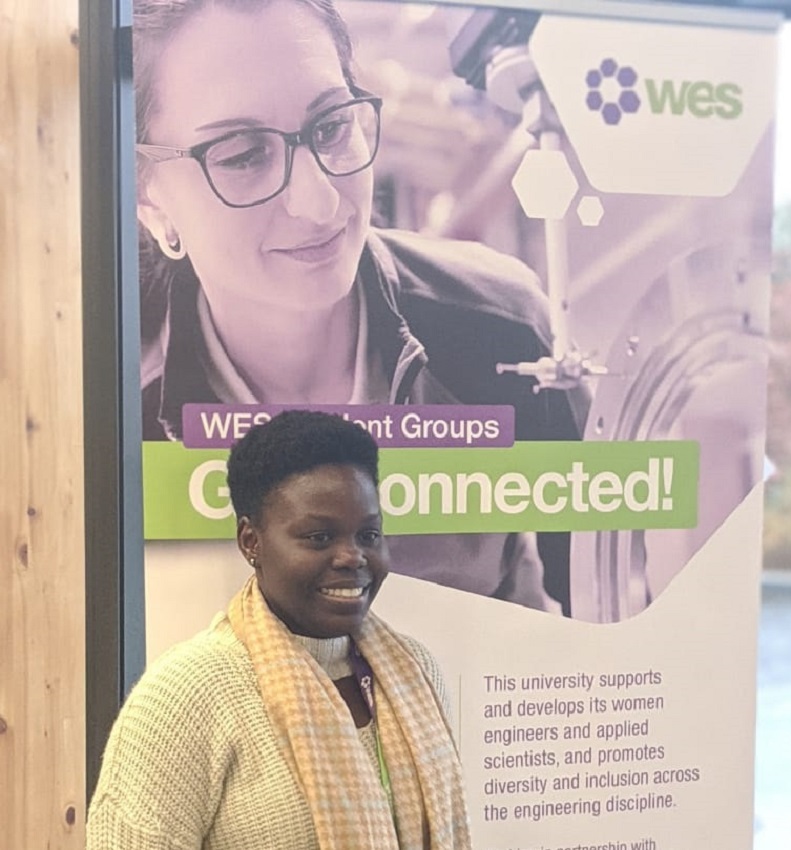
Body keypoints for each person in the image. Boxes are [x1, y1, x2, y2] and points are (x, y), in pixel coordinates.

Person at [132, 0, 587, 614]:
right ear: (148, 197)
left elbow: (596, 613)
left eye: (331, 128)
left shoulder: (501, 328)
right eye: (242, 155)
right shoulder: (112, 403)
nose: (320, 204)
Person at [87, 410, 471, 849]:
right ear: (251, 541)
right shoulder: (188, 694)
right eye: (319, 538)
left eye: (368, 535)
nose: (353, 557)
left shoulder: (415, 672)